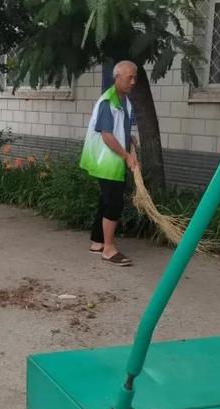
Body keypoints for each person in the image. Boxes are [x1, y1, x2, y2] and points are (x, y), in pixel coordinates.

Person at [80, 60, 139, 266]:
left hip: (112, 159)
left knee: (105, 200)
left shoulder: (124, 100)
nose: (133, 81)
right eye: (129, 77)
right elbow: (106, 135)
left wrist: (129, 138)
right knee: (113, 203)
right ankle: (109, 249)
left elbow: (117, 129)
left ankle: (97, 242)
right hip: (107, 161)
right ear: (117, 77)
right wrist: (127, 156)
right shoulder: (109, 101)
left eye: (135, 77)